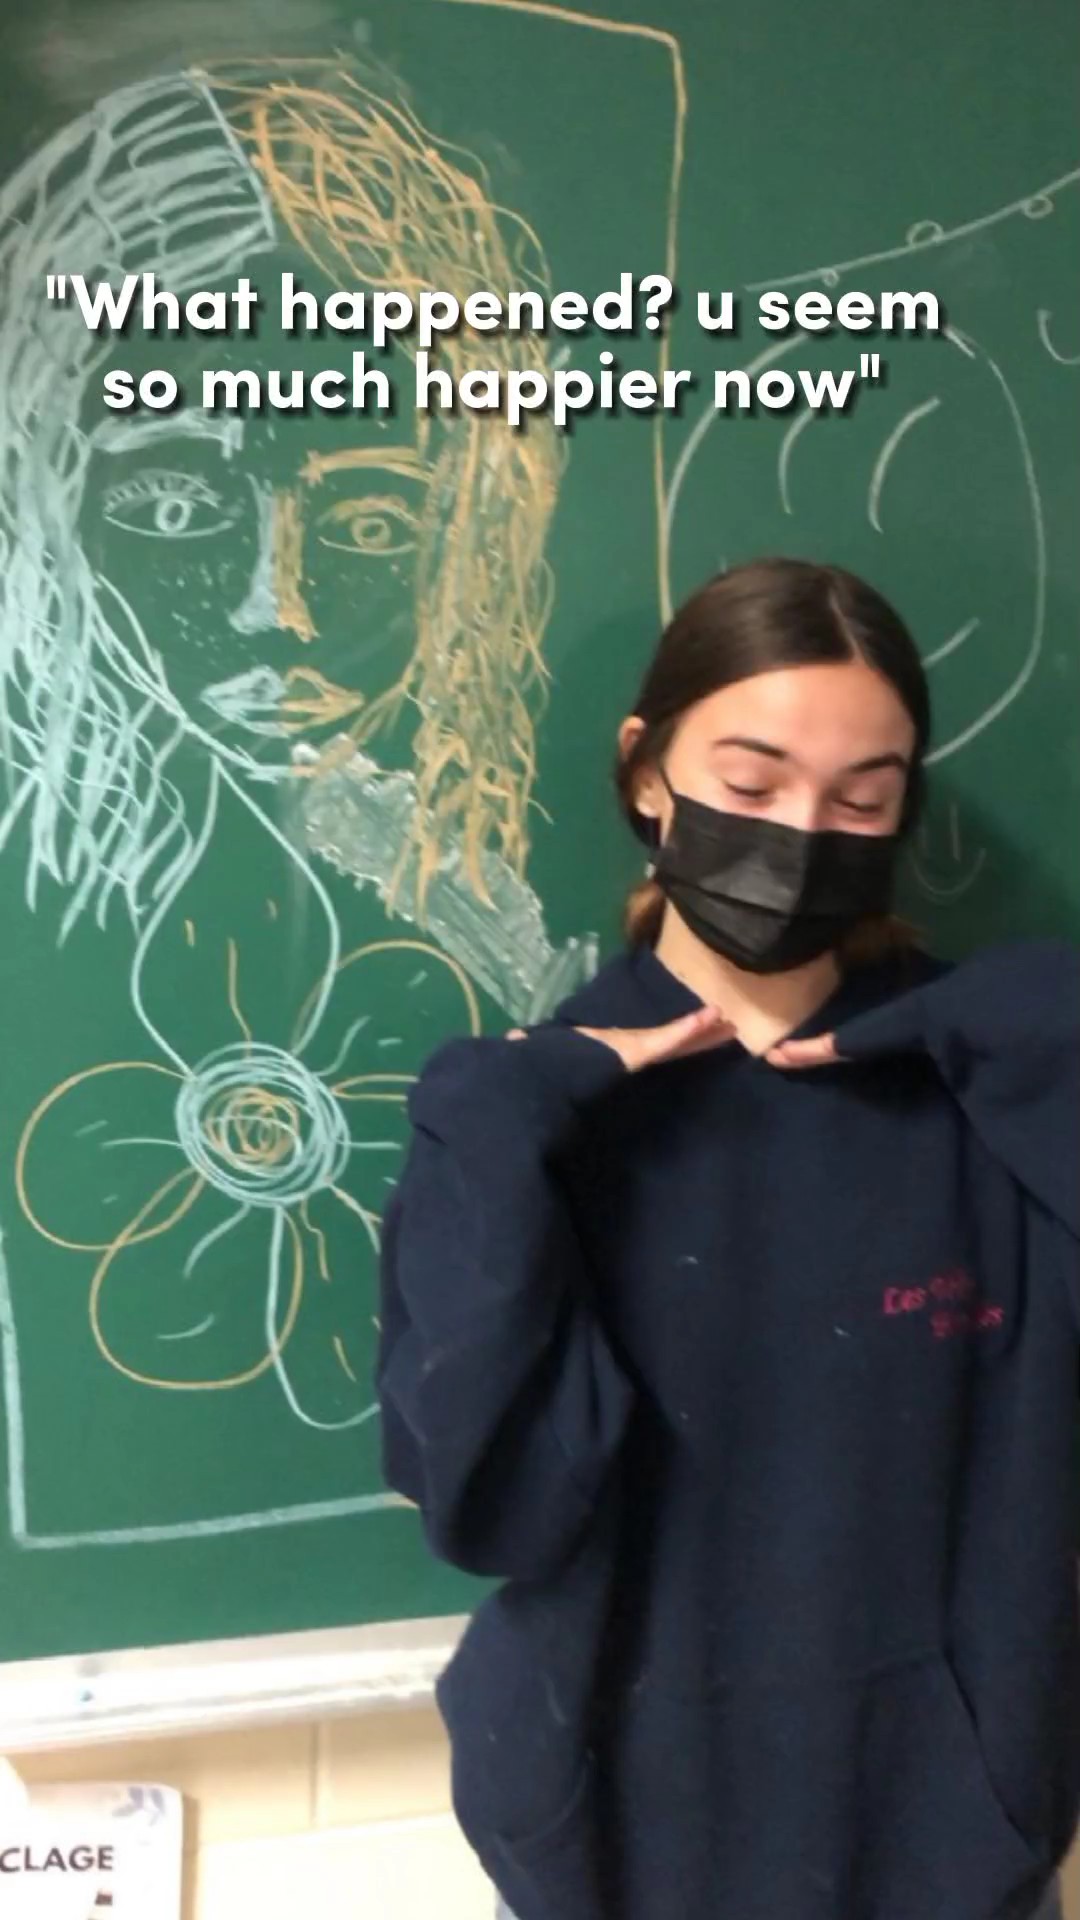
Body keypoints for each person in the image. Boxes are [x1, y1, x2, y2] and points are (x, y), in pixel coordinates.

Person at [375, 556, 1079, 1920]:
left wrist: (1038, 1030)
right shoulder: (532, 1125)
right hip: (617, 1853)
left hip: (953, 1854)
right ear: (648, 773)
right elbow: (490, 1505)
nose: (802, 836)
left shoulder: (993, 1091)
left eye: (861, 799)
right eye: (751, 786)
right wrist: (493, 1133)